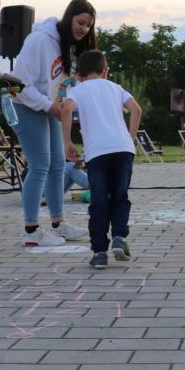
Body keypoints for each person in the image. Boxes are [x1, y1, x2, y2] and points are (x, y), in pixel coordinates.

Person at [10, 0, 96, 247]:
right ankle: (31, 231)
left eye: (89, 26)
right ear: (69, 18)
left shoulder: (69, 47)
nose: (84, 29)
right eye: (81, 22)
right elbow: (18, 85)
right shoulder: (40, 40)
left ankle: (58, 224)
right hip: (25, 105)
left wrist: (63, 108)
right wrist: (49, 106)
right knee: (40, 165)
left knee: (58, 165)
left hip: (49, 108)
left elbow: (63, 85)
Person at [61, 50, 142, 269]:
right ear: (105, 71)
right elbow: (136, 110)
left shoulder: (78, 89)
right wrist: (131, 137)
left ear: (79, 76)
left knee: (99, 201)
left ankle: (99, 252)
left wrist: (67, 142)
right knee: (120, 196)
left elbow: (66, 109)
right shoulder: (116, 87)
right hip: (123, 149)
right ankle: (119, 237)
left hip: (97, 153)